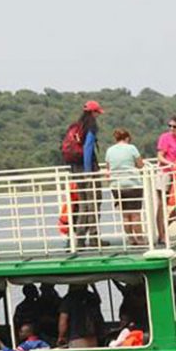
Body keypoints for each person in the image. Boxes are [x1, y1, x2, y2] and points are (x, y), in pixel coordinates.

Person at [67, 101, 104, 248]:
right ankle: (94, 238)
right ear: (93, 113)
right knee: (94, 202)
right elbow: (88, 147)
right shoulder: (91, 126)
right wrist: (89, 172)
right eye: (97, 113)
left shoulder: (76, 126)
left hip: (76, 169)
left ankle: (80, 239)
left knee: (83, 204)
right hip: (87, 169)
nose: (97, 115)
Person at [105, 128, 146, 246]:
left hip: (116, 185)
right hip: (133, 184)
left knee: (125, 215)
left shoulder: (109, 150)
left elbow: (109, 168)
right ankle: (140, 239)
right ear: (127, 138)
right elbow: (140, 164)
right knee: (135, 214)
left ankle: (131, 239)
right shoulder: (131, 148)